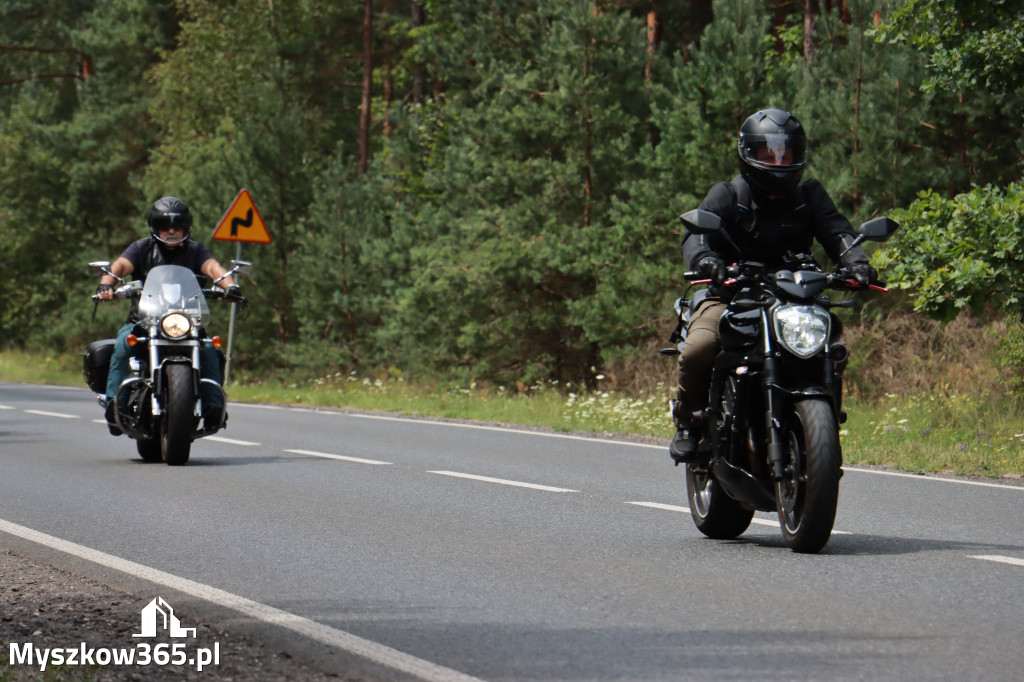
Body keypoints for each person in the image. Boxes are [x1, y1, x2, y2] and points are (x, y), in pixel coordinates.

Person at [670, 108, 877, 463]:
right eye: (769, 153)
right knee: (699, 347)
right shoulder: (729, 194)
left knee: (831, 342)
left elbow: (837, 231)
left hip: (794, 294)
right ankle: (690, 423)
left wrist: (856, 264)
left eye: (787, 153)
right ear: (749, 153)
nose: (779, 161)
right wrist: (707, 262)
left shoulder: (809, 196)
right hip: (732, 293)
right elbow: (696, 236)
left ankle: (821, 423)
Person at [96, 196, 240, 434]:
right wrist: (106, 285)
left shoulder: (196, 251)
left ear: (186, 226)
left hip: (186, 323)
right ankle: (115, 405)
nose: (172, 231)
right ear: (155, 227)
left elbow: (214, 268)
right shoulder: (141, 248)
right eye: (165, 225)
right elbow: (119, 267)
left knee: (209, 350)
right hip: (144, 322)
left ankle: (214, 407)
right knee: (123, 344)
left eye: (177, 225)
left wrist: (230, 286)